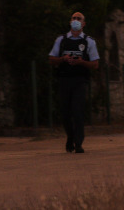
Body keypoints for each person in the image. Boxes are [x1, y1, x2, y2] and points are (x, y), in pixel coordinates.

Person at [48, 11, 99, 153]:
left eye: (79, 19)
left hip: (80, 81)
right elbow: (51, 59)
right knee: (65, 112)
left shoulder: (89, 41)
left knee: (77, 111)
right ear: (70, 21)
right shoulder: (61, 40)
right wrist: (63, 59)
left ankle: (78, 142)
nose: (76, 20)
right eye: (74, 18)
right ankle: (70, 137)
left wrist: (81, 62)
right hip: (64, 79)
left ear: (84, 23)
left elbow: (95, 64)